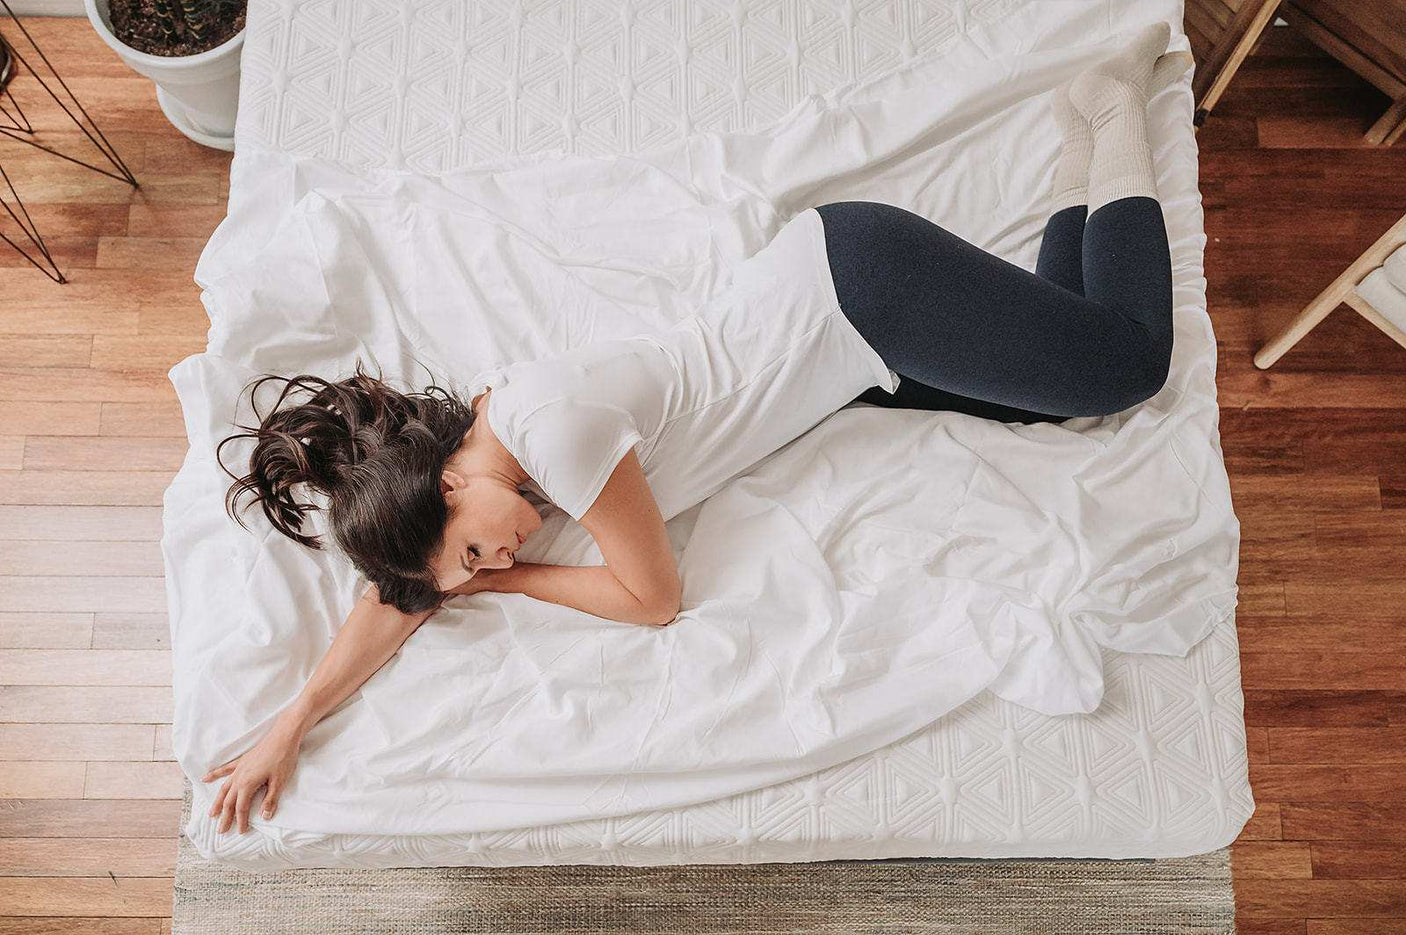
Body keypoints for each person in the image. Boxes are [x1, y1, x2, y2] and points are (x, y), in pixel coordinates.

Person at [203, 23, 1191, 836]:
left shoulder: (554, 436)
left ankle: (1110, 106)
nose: (489, 563)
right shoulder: (485, 453)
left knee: (1128, 366)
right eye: (473, 568)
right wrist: (291, 721)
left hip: (859, 290)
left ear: (452, 486)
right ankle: (1082, 136)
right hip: (845, 362)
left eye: (475, 552)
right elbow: (403, 593)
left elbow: (654, 599)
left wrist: (513, 577)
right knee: (1055, 391)